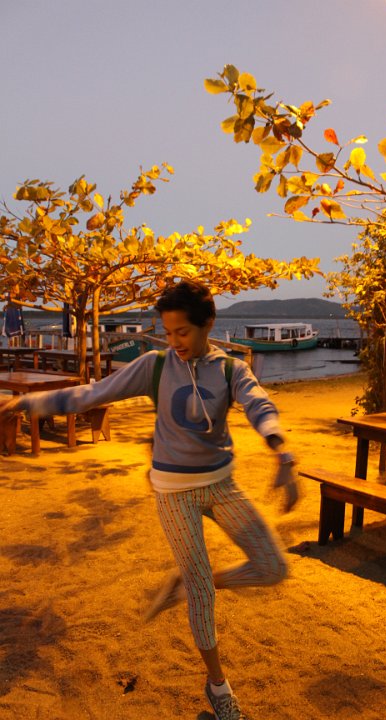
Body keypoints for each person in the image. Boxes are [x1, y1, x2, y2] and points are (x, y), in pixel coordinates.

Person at [0, 280, 298, 720]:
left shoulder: (231, 370)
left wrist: (282, 451)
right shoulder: (154, 366)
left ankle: (194, 581)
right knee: (201, 594)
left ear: (208, 324)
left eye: (183, 332)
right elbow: (92, 394)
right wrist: (32, 403)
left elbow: (260, 406)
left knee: (273, 568)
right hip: (173, 492)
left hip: (221, 484)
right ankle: (219, 688)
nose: (174, 341)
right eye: (168, 331)